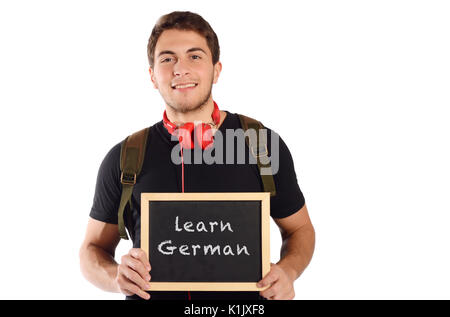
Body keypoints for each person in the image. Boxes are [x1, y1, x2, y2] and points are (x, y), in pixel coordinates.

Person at [79, 11, 315, 300]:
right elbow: (92, 250)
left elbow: (300, 229)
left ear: (216, 70)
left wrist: (288, 271)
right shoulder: (125, 156)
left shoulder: (260, 144)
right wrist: (116, 277)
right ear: (153, 75)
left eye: (194, 56)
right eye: (167, 58)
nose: (181, 69)